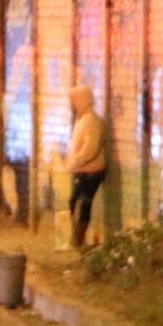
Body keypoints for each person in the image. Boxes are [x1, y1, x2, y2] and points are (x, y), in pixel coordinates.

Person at [64, 84, 110, 249]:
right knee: (74, 202)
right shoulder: (82, 120)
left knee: (83, 203)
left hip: (92, 171)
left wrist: (75, 162)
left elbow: (91, 148)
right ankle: (77, 238)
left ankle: (78, 239)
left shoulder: (91, 121)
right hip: (83, 170)